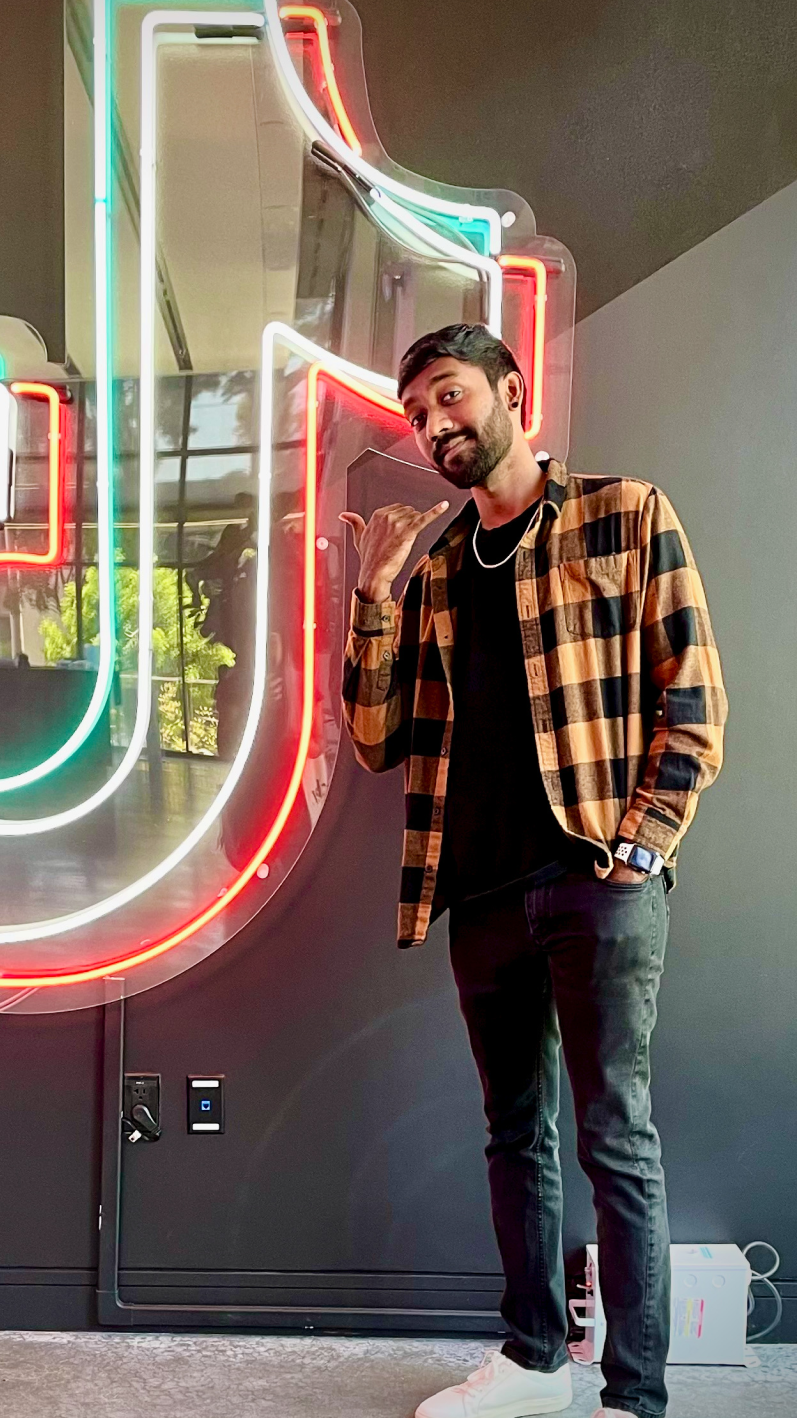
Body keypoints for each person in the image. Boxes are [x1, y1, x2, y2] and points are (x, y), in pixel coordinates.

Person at [339, 324, 726, 1418]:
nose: (434, 427)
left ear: (512, 391)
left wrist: (641, 845)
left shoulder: (624, 513)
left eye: (450, 397)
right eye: (416, 415)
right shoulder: (439, 571)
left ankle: (632, 1393)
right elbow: (375, 739)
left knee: (615, 1132)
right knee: (515, 1130)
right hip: (481, 893)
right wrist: (374, 596)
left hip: (596, 878)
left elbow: (692, 697)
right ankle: (531, 1358)